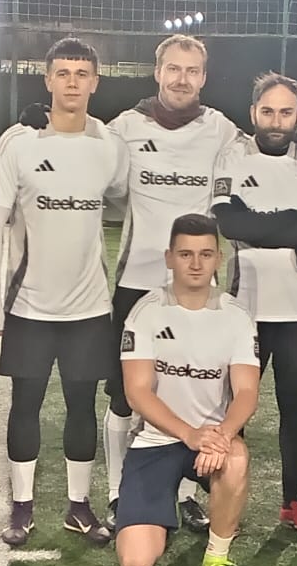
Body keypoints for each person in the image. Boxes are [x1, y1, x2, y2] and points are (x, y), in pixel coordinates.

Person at [0, 35, 131, 548]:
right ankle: (21, 508)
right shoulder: (18, 142)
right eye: (62, 73)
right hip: (29, 307)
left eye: (81, 74)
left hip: (89, 308)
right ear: (47, 80)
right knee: (25, 406)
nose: (72, 82)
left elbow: (126, 194)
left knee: (81, 407)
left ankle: (78, 507)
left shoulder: (109, 145)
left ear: (95, 83)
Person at [101, 34, 242, 525]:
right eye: (174, 69)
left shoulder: (221, 130)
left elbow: (265, 154)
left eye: (192, 70)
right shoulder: (124, 127)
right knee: (125, 395)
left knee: (189, 393)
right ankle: (118, 491)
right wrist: (39, 126)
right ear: (157, 72)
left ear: (204, 77)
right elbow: (88, 155)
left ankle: (182, 494)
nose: (182, 79)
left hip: (196, 288)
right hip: (138, 282)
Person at [211, 71, 297, 539]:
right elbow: (229, 223)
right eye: (267, 111)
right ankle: (226, 500)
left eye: (286, 112)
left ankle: (293, 505)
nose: (276, 121)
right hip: (242, 310)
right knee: (233, 411)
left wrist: (262, 225)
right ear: (253, 113)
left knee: (294, 411)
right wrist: (294, 225)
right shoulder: (233, 155)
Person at [115, 215, 261, 566]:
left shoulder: (236, 316)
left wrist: (222, 436)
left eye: (205, 254)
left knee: (236, 459)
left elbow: (247, 391)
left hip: (213, 441)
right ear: (169, 258)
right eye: (185, 254)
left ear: (219, 258)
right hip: (158, 440)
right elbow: (137, 392)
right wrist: (189, 434)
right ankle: (164, 508)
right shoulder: (146, 312)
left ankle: (217, 558)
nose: (196, 264)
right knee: (135, 563)